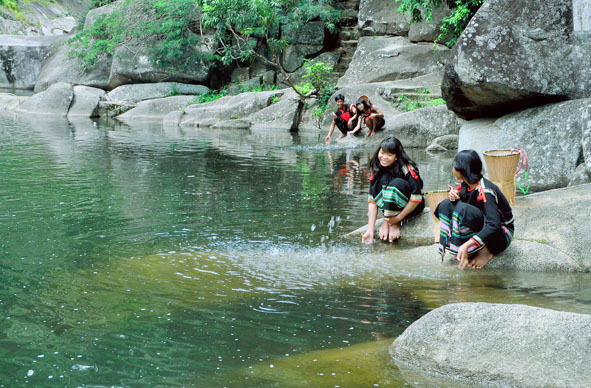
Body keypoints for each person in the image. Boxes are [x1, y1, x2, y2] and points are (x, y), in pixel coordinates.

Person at [435, 150, 515, 270]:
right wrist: (455, 196)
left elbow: (494, 224)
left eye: (454, 166)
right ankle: (464, 248)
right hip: (482, 226)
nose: (453, 168)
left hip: (501, 236)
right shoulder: (466, 184)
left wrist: (467, 244)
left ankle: (485, 251)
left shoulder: (486, 191)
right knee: (447, 204)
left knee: (462, 209)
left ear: (462, 170)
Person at [362, 137, 425, 244]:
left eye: (390, 155)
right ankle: (387, 221)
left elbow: (416, 198)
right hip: (390, 209)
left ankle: (390, 223)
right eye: (382, 153)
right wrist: (370, 230)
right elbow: (372, 201)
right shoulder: (377, 167)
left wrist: (397, 219)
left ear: (396, 157)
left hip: (411, 207)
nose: (384, 157)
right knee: (380, 181)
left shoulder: (407, 168)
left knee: (396, 184)